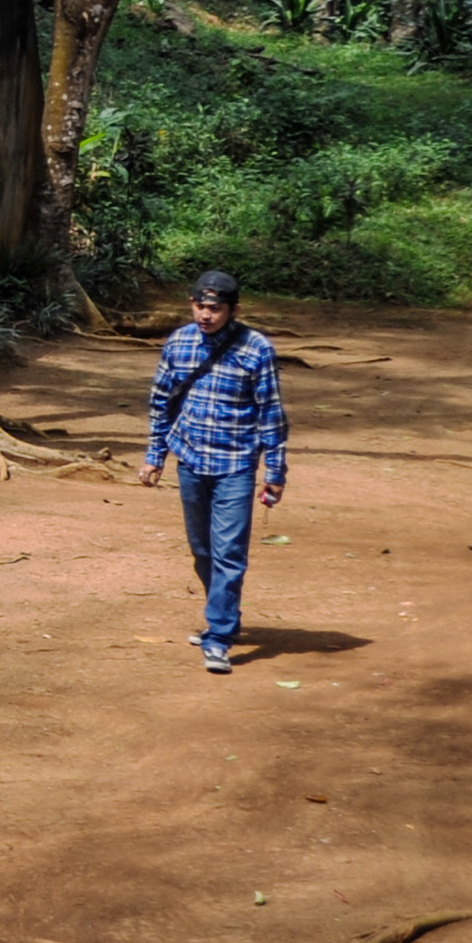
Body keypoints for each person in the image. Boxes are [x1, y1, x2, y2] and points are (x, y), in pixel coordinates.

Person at [138, 268, 288, 674]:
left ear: (234, 310)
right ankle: (225, 615)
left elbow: (271, 413)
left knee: (230, 552)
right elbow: (161, 401)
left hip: (236, 464)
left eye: (215, 309)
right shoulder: (179, 342)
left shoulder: (255, 348)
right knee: (202, 549)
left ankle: (219, 635)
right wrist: (155, 455)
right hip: (190, 459)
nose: (205, 315)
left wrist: (275, 470)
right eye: (199, 306)